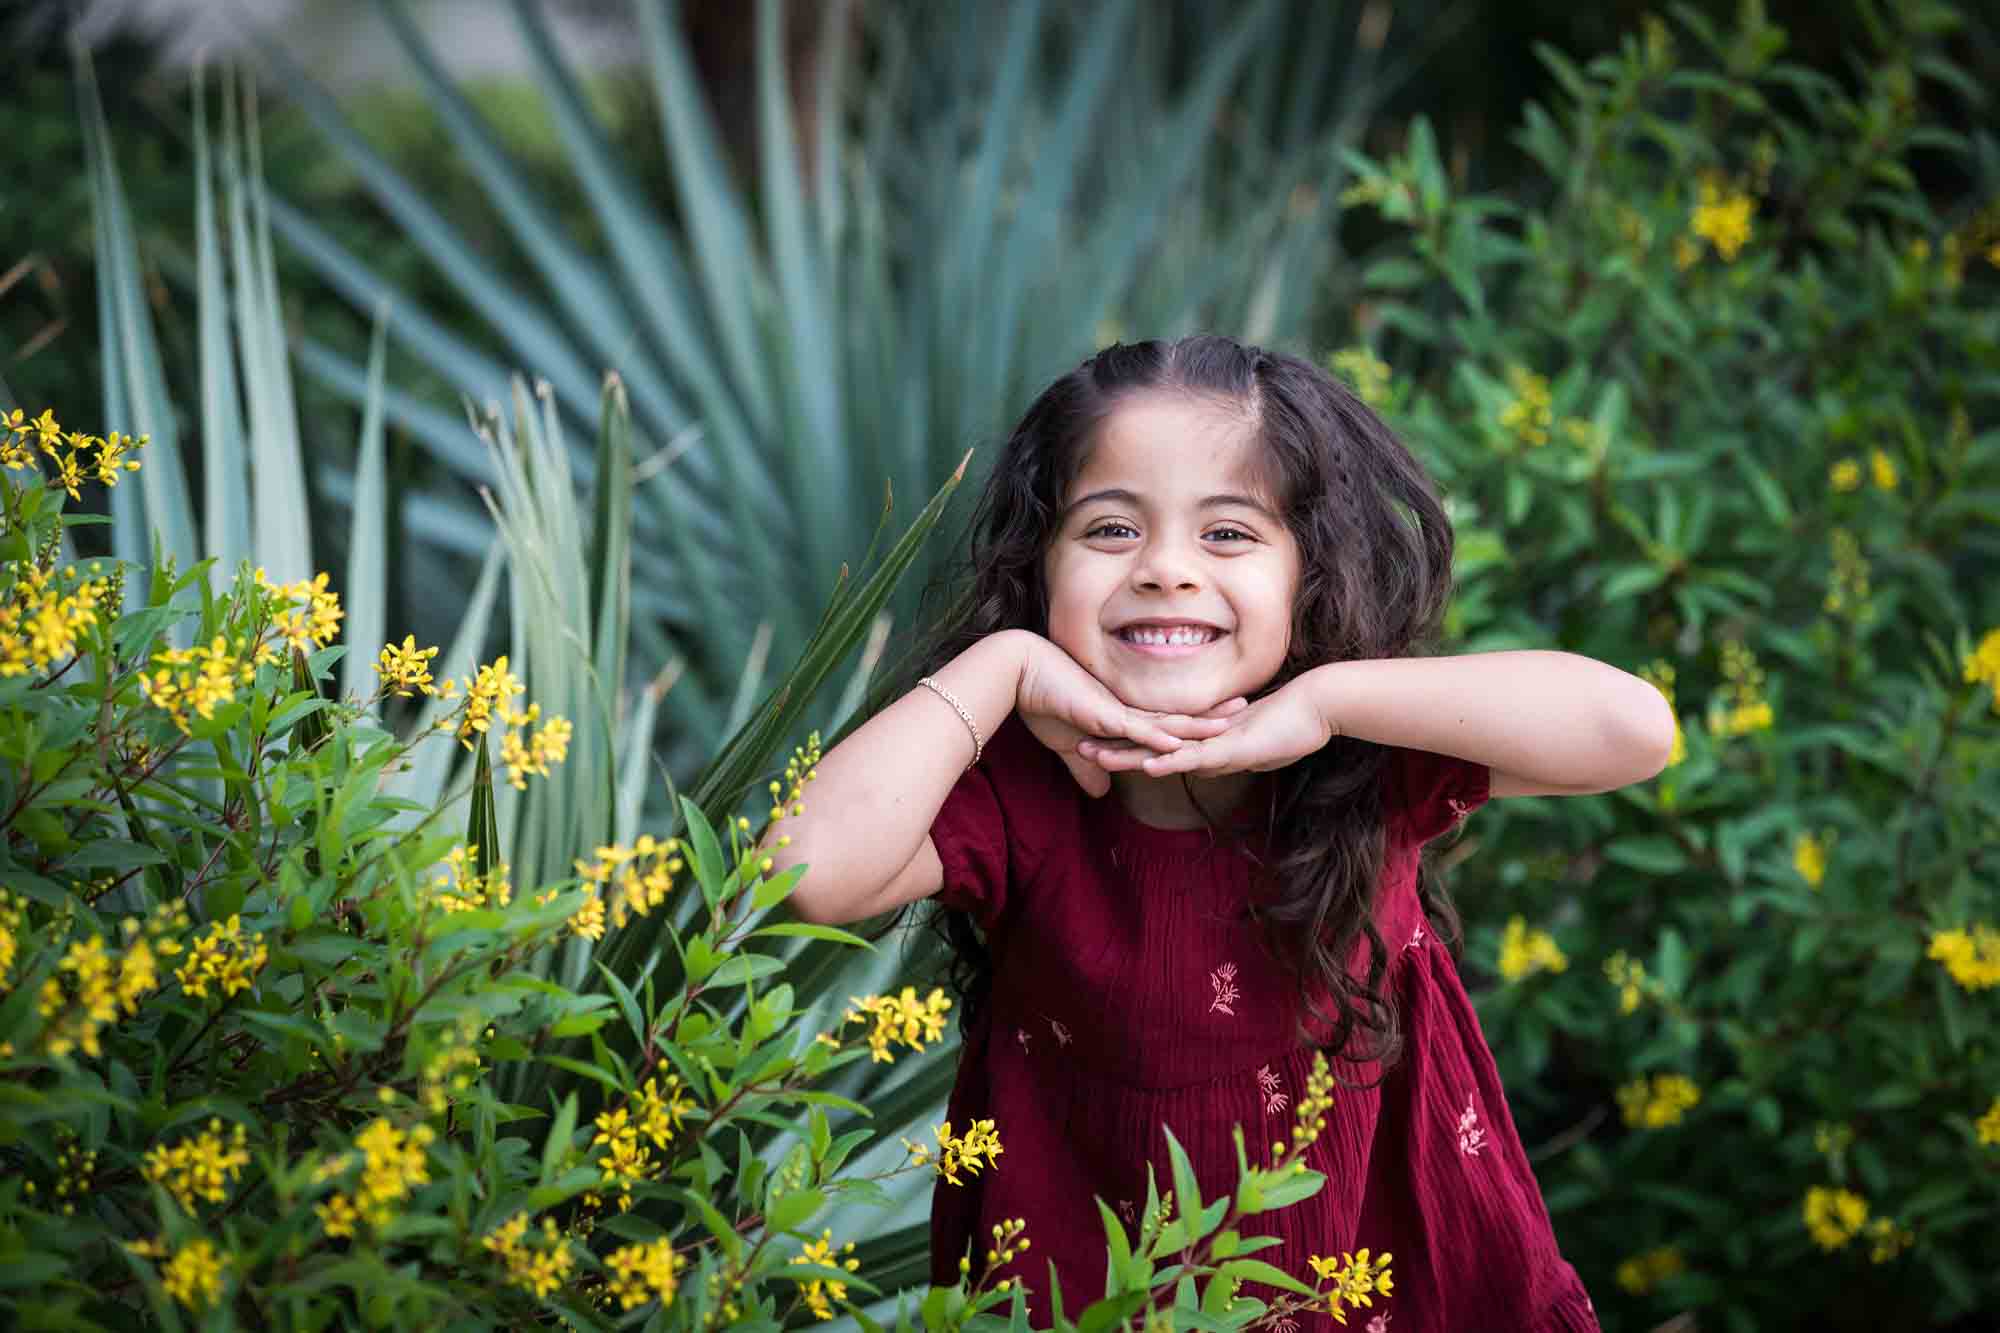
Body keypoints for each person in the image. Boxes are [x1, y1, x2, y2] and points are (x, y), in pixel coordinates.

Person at [777, 335, 1672, 1331]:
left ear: (1308, 572)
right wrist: (1002, 670)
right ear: (1040, 568)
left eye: (1228, 535)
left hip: (1394, 1292)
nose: (1165, 570)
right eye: (1110, 529)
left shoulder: (1359, 758)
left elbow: (1631, 730)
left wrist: (1330, 699)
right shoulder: (1022, 792)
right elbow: (804, 871)